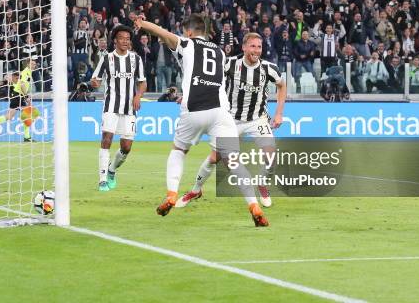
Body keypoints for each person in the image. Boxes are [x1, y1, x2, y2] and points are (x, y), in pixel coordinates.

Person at [136, 14, 269, 227]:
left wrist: (143, 24)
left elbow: (161, 33)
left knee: (179, 150)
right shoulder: (218, 51)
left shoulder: (187, 43)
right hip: (220, 111)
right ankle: (253, 205)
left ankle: (171, 194)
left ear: (189, 32)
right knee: (233, 161)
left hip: (194, 108)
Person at [176, 33, 286, 209]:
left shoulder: (269, 68)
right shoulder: (229, 64)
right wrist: (188, 95)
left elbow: (282, 85)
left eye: (259, 47)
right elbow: (207, 79)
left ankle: (262, 184)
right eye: (252, 46)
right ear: (243, 47)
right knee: (214, 158)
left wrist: (279, 113)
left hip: (257, 119)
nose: (256, 50)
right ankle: (196, 190)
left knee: (271, 156)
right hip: (230, 120)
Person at [90, 25, 147, 192]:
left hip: (130, 108)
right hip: (110, 106)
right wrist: (94, 83)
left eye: (128, 39)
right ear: (115, 40)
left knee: (126, 147)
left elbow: (142, 82)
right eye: (122, 38)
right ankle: (102, 180)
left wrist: (138, 96)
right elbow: (96, 80)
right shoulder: (107, 58)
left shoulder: (136, 59)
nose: (125, 41)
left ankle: (112, 170)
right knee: (106, 138)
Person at [0, 58, 37, 142]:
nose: (34, 65)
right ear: (28, 64)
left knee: (10, 116)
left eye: (34, 64)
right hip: (19, 95)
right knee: (29, 115)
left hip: (16, 95)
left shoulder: (28, 72)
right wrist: (26, 96)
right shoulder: (25, 72)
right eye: (32, 64)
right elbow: (22, 84)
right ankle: (27, 137)